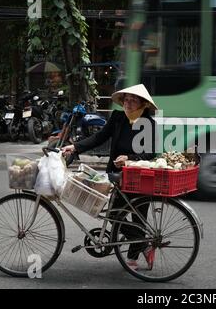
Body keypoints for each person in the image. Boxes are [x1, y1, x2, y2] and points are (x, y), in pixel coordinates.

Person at [62, 84, 158, 271]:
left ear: (143, 104)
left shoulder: (149, 123)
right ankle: (144, 244)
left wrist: (130, 159)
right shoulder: (118, 117)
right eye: (126, 100)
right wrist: (75, 147)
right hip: (117, 176)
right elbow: (100, 137)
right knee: (115, 216)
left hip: (139, 175)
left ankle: (134, 255)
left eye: (133, 100)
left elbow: (151, 153)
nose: (128, 103)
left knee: (139, 216)